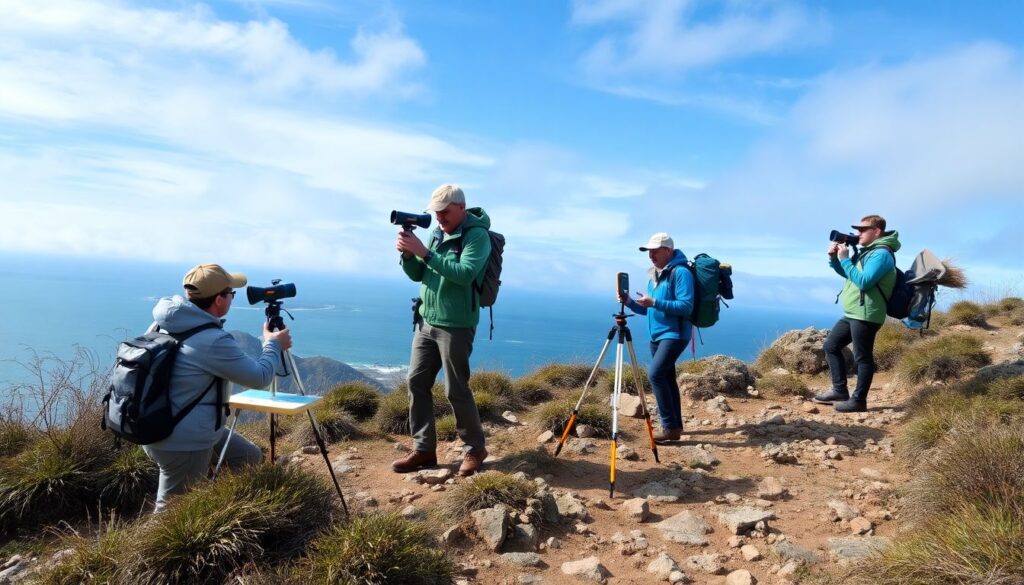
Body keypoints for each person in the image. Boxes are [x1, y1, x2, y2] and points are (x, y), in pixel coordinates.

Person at [142, 263, 292, 512]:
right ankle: (153, 550)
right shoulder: (211, 340)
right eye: (231, 293)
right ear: (219, 301)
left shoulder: (162, 324)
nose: (232, 298)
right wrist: (273, 344)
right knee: (172, 512)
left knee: (248, 458)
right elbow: (260, 377)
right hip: (184, 441)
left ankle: (220, 511)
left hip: (163, 423)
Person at [392, 184, 493, 476]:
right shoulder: (436, 233)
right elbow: (418, 275)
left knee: (456, 389)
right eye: (436, 212)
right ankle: (424, 450)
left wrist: (424, 253)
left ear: (461, 207)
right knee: (416, 383)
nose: (439, 217)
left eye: (445, 212)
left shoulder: (477, 237)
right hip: (427, 320)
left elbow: (464, 274)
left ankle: (475, 449)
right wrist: (409, 256)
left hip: (457, 325)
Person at [814, 215, 901, 413]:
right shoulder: (867, 252)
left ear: (876, 231)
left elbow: (864, 281)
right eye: (857, 230)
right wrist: (835, 259)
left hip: (868, 314)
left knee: (862, 357)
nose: (857, 234)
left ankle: (859, 401)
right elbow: (849, 274)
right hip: (854, 312)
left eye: (862, 230)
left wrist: (845, 260)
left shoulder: (881, 254)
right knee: (831, 346)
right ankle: (839, 390)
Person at [618, 232, 695, 444]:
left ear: (668, 251)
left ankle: (669, 427)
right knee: (667, 378)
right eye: (648, 251)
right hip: (658, 335)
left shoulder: (681, 273)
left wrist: (655, 303)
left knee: (655, 375)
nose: (650, 255)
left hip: (675, 334)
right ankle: (675, 427)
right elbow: (649, 310)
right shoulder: (655, 275)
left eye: (655, 251)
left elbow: (686, 305)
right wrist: (631, 302)